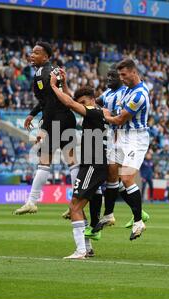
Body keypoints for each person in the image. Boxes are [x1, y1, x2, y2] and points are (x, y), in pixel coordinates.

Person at [13, 42, 78, 215]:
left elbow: (49, 103)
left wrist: (44, 129)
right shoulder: (53, 70)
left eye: (36, 53)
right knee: (72, 161)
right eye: (32, 52)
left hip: (56, 120)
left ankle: (31, 202)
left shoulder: (43, 73)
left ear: (46, 57)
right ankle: (77, 204)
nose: (32, 55)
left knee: (44, 161)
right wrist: (32, 114)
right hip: (67, 118)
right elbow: (48, 99)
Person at [50, 74, 108, 259]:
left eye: (84, 101)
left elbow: (70, 104)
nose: (82, 104)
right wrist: (65, 85)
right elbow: (74, 101)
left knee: (74, 206)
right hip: (91, 164)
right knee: (77, 206)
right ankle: (86, 248)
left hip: (94, 164)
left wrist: (53, 86)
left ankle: (81, 250)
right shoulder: (94, 111)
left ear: (92, 99)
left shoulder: (95, 112)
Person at [94, 58, 151, 240]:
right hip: (120, 137)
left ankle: (138, 221)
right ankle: (109, 214)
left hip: (135, 139)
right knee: (111, 172)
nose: (121, 78)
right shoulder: (126, 90)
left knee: (126, 178)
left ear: (134, 72)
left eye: (124, 75)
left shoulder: (139, 95)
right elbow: (107, 105)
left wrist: (104, 117)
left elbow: (119, 119)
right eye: (119, 75)